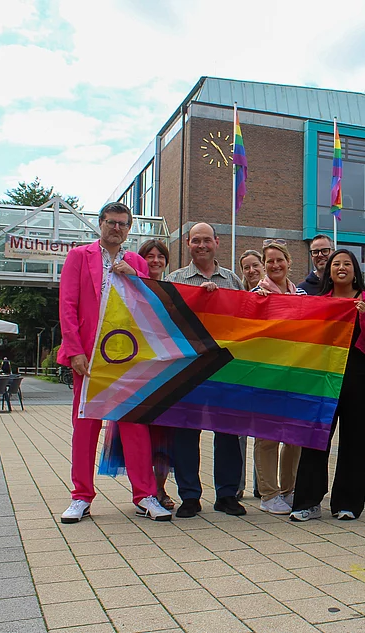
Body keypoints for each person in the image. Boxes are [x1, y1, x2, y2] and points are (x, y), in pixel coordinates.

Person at [57, 202, 171, 523]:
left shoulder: (136, 261)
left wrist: (136, 276)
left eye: (122, 224)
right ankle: (81, 496)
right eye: (111, 222)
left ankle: (145, 495)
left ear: (129, 228)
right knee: (85, 426)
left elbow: (150, 302)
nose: (116, 228)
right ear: (101, 224)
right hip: (90, 358)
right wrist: (75, 349)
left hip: (128, 357)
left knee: (135, 426)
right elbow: (67, 305)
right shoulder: (80, 257)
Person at [290, 250, 365, 521]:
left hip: (359, 376)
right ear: (328, 271)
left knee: (355, 439)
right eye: (336, 264)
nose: (342, 268)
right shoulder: (319, 302)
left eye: (347, 264)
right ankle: (308, 501)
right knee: (315, 438)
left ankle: (348, 503)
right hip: (324, 377)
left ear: (356, 270)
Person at [165, 222, 247, 519]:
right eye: (195, 241)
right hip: (189, 368)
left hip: (226, 367)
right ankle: (189, 496)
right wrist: (195, 298)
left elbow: (243, 320)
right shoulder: (175, 279)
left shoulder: (233, 280)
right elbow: (167, 320)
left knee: (228, 432)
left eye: (206, 240)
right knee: (186, 433)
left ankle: (227, 495)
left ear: (217, 243)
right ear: (187, 244)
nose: (201, 245)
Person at [252, 241, 305, 514]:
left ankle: (289, 489)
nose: (275, 265)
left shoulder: (302, 294)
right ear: (263, 265)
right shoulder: (256, 293)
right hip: (267, 373)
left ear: (288, 262)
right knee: (268, 436)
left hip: (296, 372)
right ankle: (268, 494)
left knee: (294, 434)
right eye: (269, 261)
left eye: (279, 260)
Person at [136, 239, 176, 510]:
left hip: (167, 372)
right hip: (138, 372)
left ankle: (159, 489)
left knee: (163, 437)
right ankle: (144, 491)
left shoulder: (173, 289)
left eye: (160, 257)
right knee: (139, 436)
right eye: (149, 256)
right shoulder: (130, 287)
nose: (155, 261)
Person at [236, 247, 266, 497]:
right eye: (246, 267)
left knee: (261, 431)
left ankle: (261, 485)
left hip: (265, 370)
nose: (251, 270)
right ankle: (237, 485)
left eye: (255, 265)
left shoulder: (275, 294)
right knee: (237, 431)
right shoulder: (237, 296)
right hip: (241, 370)